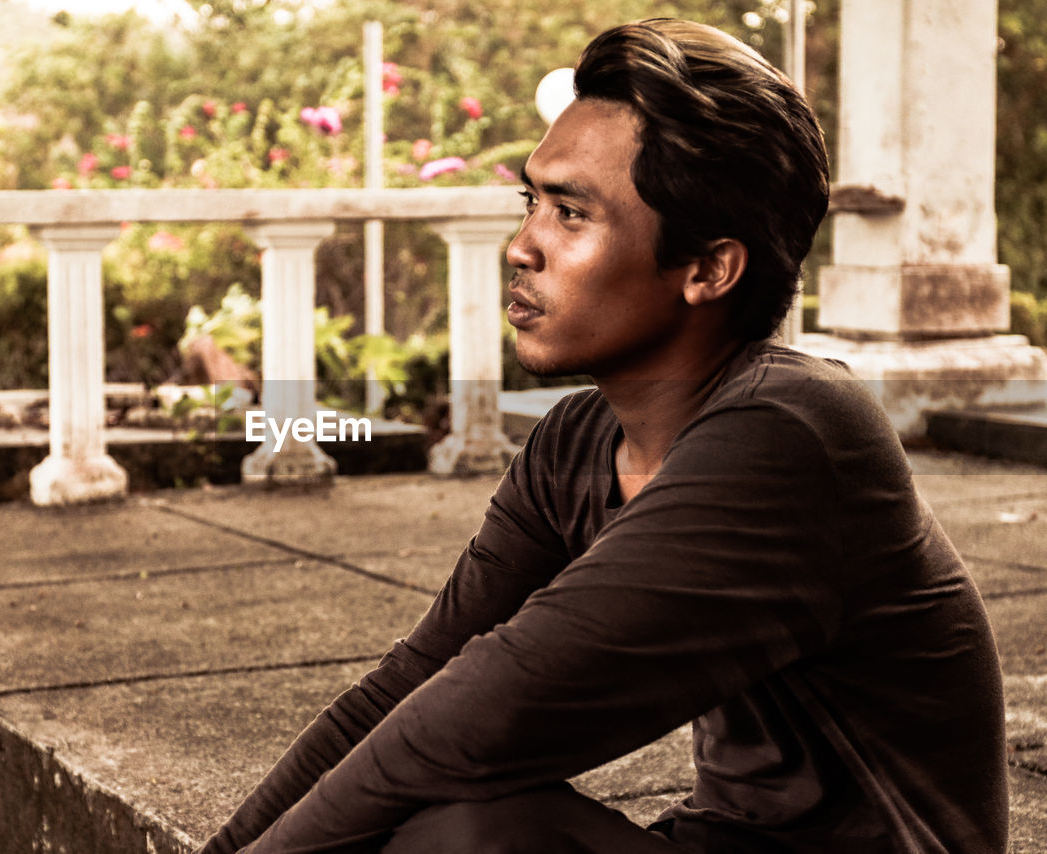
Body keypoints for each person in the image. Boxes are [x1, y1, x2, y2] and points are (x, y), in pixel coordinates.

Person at [200, 18, 1008, 853]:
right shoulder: (576, 444)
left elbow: (481, 716)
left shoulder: (794, 435)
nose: (522, 247)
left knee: (469, 838)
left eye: (571, 214)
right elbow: (414, 685)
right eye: (533, 201)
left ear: (707, 269)